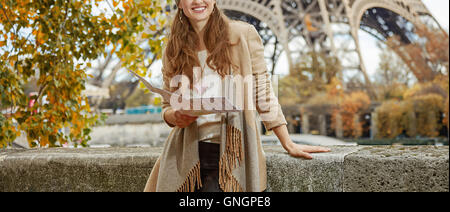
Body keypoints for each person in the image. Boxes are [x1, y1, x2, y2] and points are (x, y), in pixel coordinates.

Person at [144, 0, 330, 192]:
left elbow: (262, 91)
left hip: (234, 153)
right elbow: (167, 107)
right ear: (180, 4)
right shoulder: (173, 48)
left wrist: (287, 142)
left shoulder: (243, 34)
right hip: (188, 156)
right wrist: (175, 116)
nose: (198, 1)